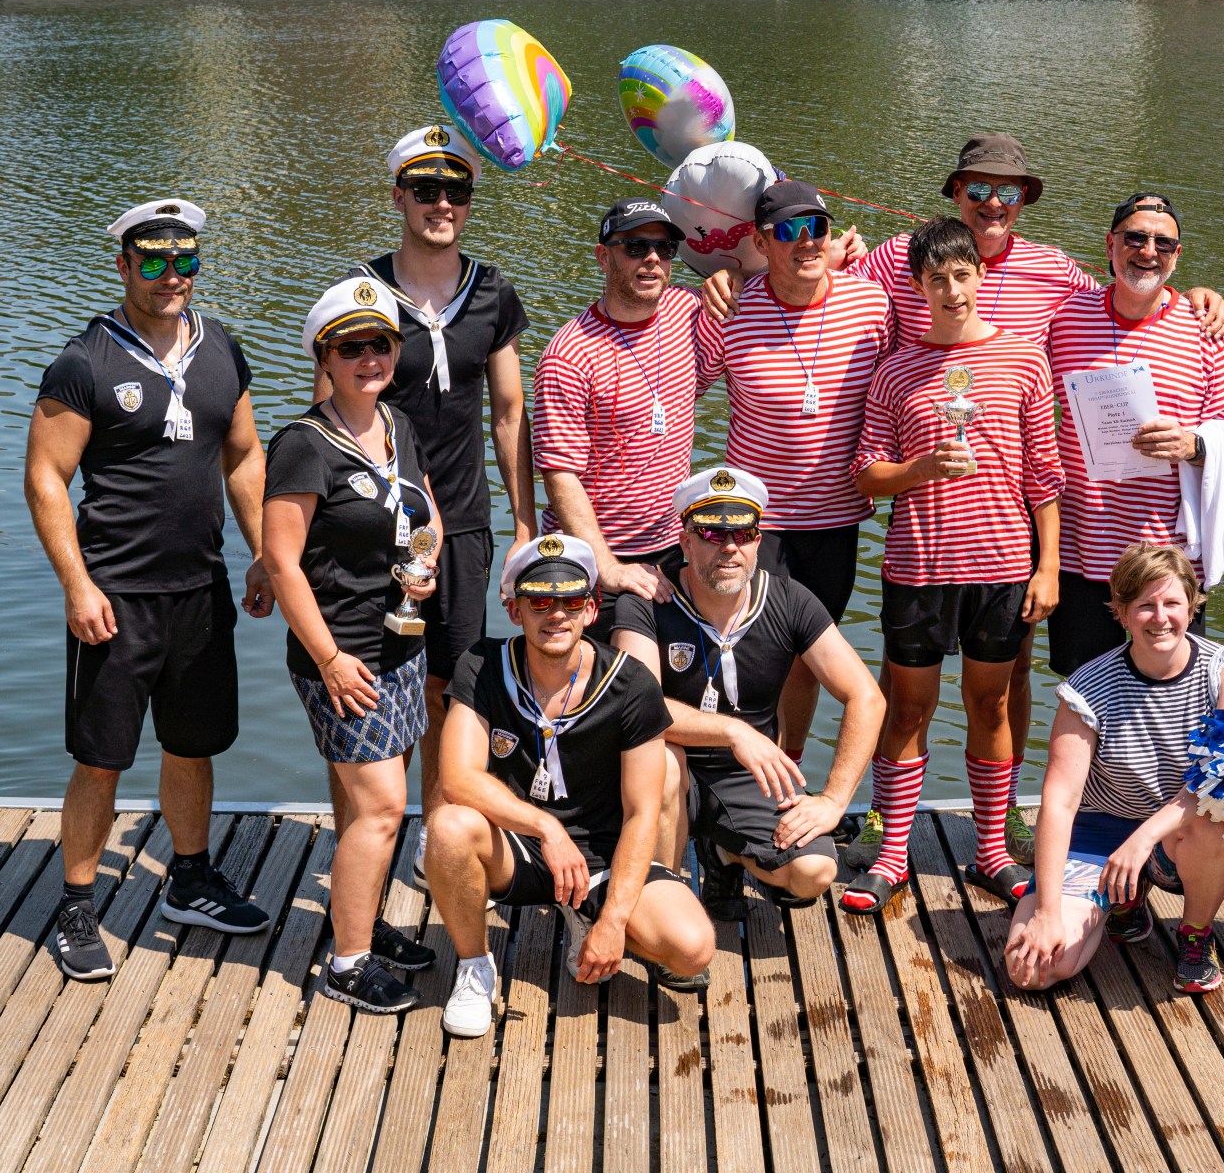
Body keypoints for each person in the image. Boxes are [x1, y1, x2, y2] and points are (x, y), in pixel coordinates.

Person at [703, 136, 1224, 864]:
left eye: (1008, 191)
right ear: (954, 195)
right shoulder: (893, 268)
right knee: (895, 691)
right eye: (979, 189)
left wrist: (1198, 297)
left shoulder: (1058, 279)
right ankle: (873, 823)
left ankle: (1007, 828)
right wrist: (740, 268)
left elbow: (1131, 291)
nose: (993, 203)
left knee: (1010, 683)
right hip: (912, 544)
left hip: (1018, 540)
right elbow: (819, 264)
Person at [26, 199, 272, 982]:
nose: (173, 276)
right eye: (155, 261)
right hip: (115, 596)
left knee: (192, 745)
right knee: (101, 759)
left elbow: (244, 457)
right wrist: (77, 584)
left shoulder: (221, 347)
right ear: (125, 265)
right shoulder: (84, 362)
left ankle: (190, 880)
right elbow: (46, 477)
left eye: (186, 260)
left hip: (201, 588)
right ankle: (76, 905)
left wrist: (265, 554)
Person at [320, 126, 539, 872]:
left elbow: (508, 414)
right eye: (425, 190)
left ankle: (436, 837)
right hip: (370, 530)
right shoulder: (360, 294)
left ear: (470, 202)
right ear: (399, 198)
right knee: (369, 691)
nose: (441, 204)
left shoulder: (493, 292)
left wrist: (524, 525)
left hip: (465, 527)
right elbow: (323, 424)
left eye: (456, 191)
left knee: (450, 689)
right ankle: (360, 841)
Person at [844, 218, 1064, 913]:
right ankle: (892, 854)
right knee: (908, 706)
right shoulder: (894, 370)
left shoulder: (1026, 360)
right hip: (918, 567)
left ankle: (992, 850)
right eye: (936, 278)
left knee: (990, 703)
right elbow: (866, 474)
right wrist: (919, 469)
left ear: (981, 275)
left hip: (1003, 565)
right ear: (917, 285)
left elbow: (1045, 475)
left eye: (962, 274)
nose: (951, 290)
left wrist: (1049, 566)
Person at [430, 534, 715, 1036]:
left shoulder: (630, 682)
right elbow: (456, 777)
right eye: (540, 601)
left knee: (693, 950)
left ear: (592, 609)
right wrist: (545, 828)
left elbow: (641, 814)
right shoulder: (481, 664)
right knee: (448, 825)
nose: (556, 614)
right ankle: (474, 967)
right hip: (520, 844)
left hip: (602, 853)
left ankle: (590, 917)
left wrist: (614, 922)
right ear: (515, 611)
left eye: (571, 601)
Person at [263, 277, 441, 1015]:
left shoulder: (397, 423)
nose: (370, 358)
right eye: (352, 348)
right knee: (382, 807)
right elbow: (281, 563)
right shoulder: (303, 445)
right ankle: (346, 964)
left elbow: (424, 507)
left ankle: (357, 919)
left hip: (403, 643)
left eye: (381, 344)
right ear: (325, 359)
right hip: (343, 656)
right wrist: (330, 660)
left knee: (369, 800)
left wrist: (428, 564)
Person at [612, 469, 883, 923]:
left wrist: (834, 801)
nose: (729, 547)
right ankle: (665, 906)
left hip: (744, 777)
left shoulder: (789, 599)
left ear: (758, 542)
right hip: (663, 768)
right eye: (712, 533)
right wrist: (733, 732)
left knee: (815, 872)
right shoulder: (646, 600)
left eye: (743, 534)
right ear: (685, 542)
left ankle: (725, 852)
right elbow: (638, 707)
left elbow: (866, 697)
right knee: (663, 763)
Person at [691, 181, 892, 760]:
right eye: (788, 231)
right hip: (757, 522)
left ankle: (789, 770)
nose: (806, 242)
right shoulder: (731, 309)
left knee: (808, 659)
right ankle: (735, 770)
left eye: (816, 228)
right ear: (760, 243)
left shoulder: (873, 304)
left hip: (835, 520)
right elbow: (683, 390)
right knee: (751, 650)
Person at [1002, 544, 1224, 994]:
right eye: (1144, 606)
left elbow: (1221, 779)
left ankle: (1195, 935)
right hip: (1099, 832)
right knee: (1033, 970)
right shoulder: (1087, 687)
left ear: (1192, 606)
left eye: (1173, 603)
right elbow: (1059, 802)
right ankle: (1122, 899)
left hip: (1181, 832)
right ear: (1121, 613)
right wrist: (1046, 912)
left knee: (1220, 822)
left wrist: (1141, 841)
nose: (1160, 618)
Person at [1045, 193, 1224, 679]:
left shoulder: (1206, 327)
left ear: (1177, 254)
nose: (1148, 251)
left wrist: (1195, 445)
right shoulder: (1067, 318)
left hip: (1170, 558)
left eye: (1163, 243)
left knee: (1172, 691)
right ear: (1110, 245)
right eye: (1135, 238)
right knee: (1081, 688)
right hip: (1081, 549)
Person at [531, 198, 702, 632]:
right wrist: (606, 567)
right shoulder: (569, 355)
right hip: (593, 557)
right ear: (603, 256)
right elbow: (560, 474)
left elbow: (767, 282)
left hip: (672, 549)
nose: (652, 259)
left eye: (664, 249)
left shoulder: (688, 311)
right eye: (636, 247)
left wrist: (838, 256)